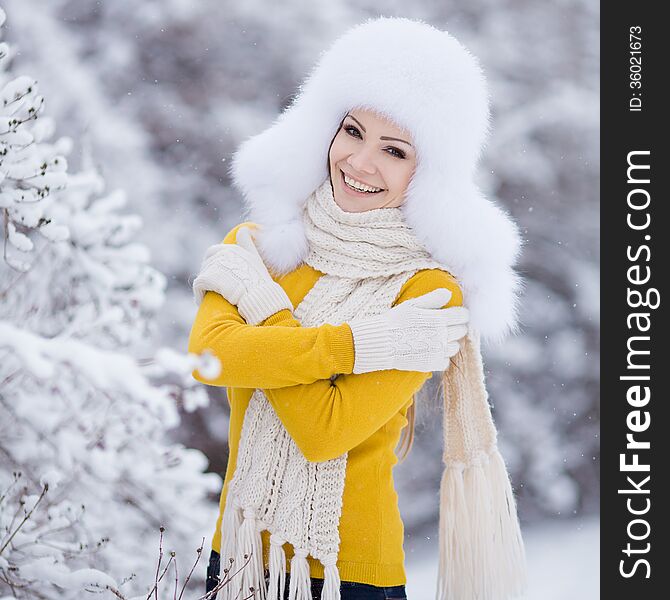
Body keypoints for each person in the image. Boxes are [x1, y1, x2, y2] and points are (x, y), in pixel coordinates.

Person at [189, 16, 526, 600]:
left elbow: (324, 431)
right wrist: (358, 345)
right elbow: (209, 359)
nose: (361, 162)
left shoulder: (428, 290)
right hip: (238, 554)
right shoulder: (259, 242)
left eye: (394, 150)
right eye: (352, 131)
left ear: (429, 172)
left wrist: (265, 316)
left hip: (352, 575)